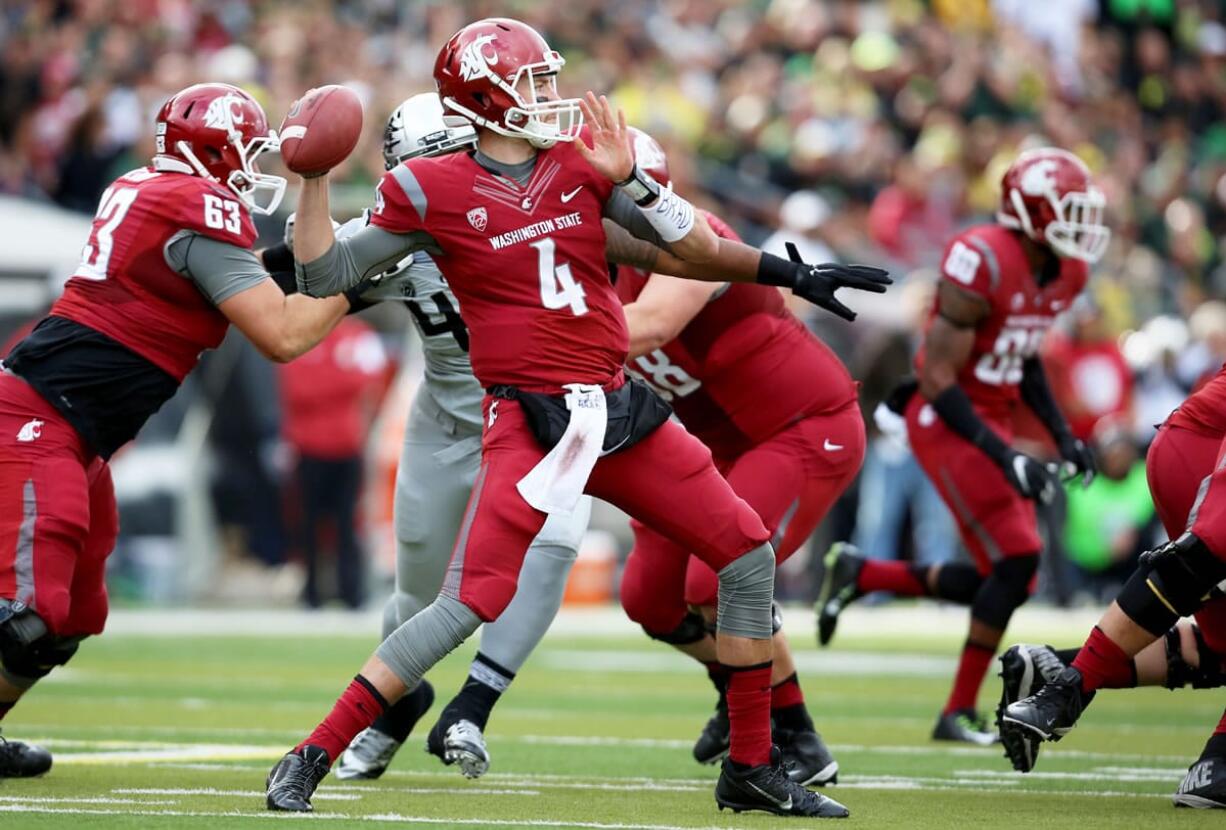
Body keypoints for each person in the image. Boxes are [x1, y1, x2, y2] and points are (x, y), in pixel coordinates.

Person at [265, 17, 888, 819]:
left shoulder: (580, 166)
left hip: (618, 410)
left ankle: (753, 765)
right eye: (535, 82)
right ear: (488, 99)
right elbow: (322, 275)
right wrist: (313, 181)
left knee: (745, 555)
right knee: (465, 603)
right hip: (529, 420)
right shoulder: (430, 189)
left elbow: (681, 249)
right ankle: (314, 750)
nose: (552, 96)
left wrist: (786, 271)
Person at [0, 82, 360, 777]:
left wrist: (310, 248)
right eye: (245, 154)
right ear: (212, 152)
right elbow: (283, 335)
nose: (251, 171)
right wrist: (358, 279)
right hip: (37, 419)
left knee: (71, 616)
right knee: (26, 609)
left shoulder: (154, 191)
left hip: (75, 432)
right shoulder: (196, 208)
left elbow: (237, 279)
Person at [816, 148, 1106, 744]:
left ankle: (864, 572)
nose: (1081, 225)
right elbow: (939, 378)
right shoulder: (983, 258)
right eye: (1068, 210)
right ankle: (955, 711)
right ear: (1030, 211)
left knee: (1005, 577)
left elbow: (1023, 356)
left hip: (991, 416)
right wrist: (1007, 456)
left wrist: (1061, 435)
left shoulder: (1065, 270)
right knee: (1019, 562)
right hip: (943, 417)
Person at [999, 364, 1226, 809]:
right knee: (1202, 554)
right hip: (1205, 448)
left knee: (1220, 645)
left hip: (1191, 443)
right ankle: (1070, 688)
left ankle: (1056, 671)